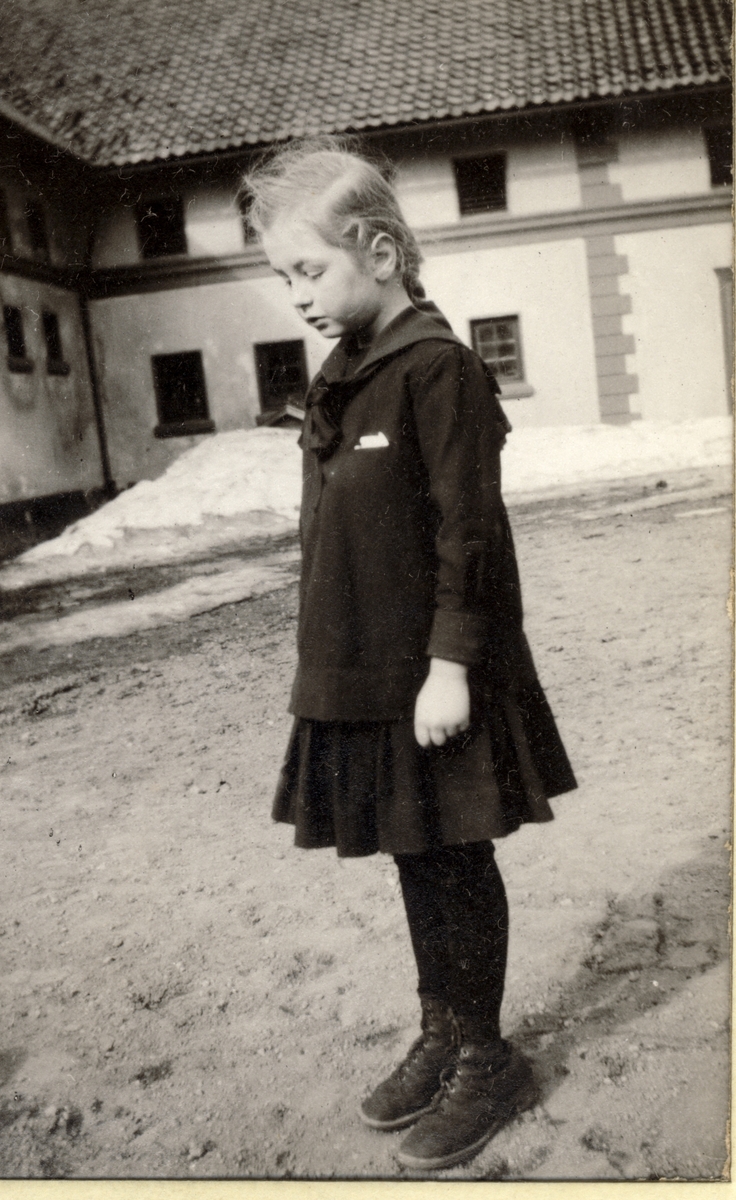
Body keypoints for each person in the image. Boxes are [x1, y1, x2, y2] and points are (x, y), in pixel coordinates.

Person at [242, 138, 577, 1172]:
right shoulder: (345, 374)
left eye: (308, 269)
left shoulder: (436, 368)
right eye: (279, 276)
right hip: (370, 673)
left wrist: (448, 666)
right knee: (414, 855)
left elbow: (468, 535)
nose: (293, 296)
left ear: (380, 251)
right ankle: (442, 1026)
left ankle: (486, 1057)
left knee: (453, 859)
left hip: (434, 676)